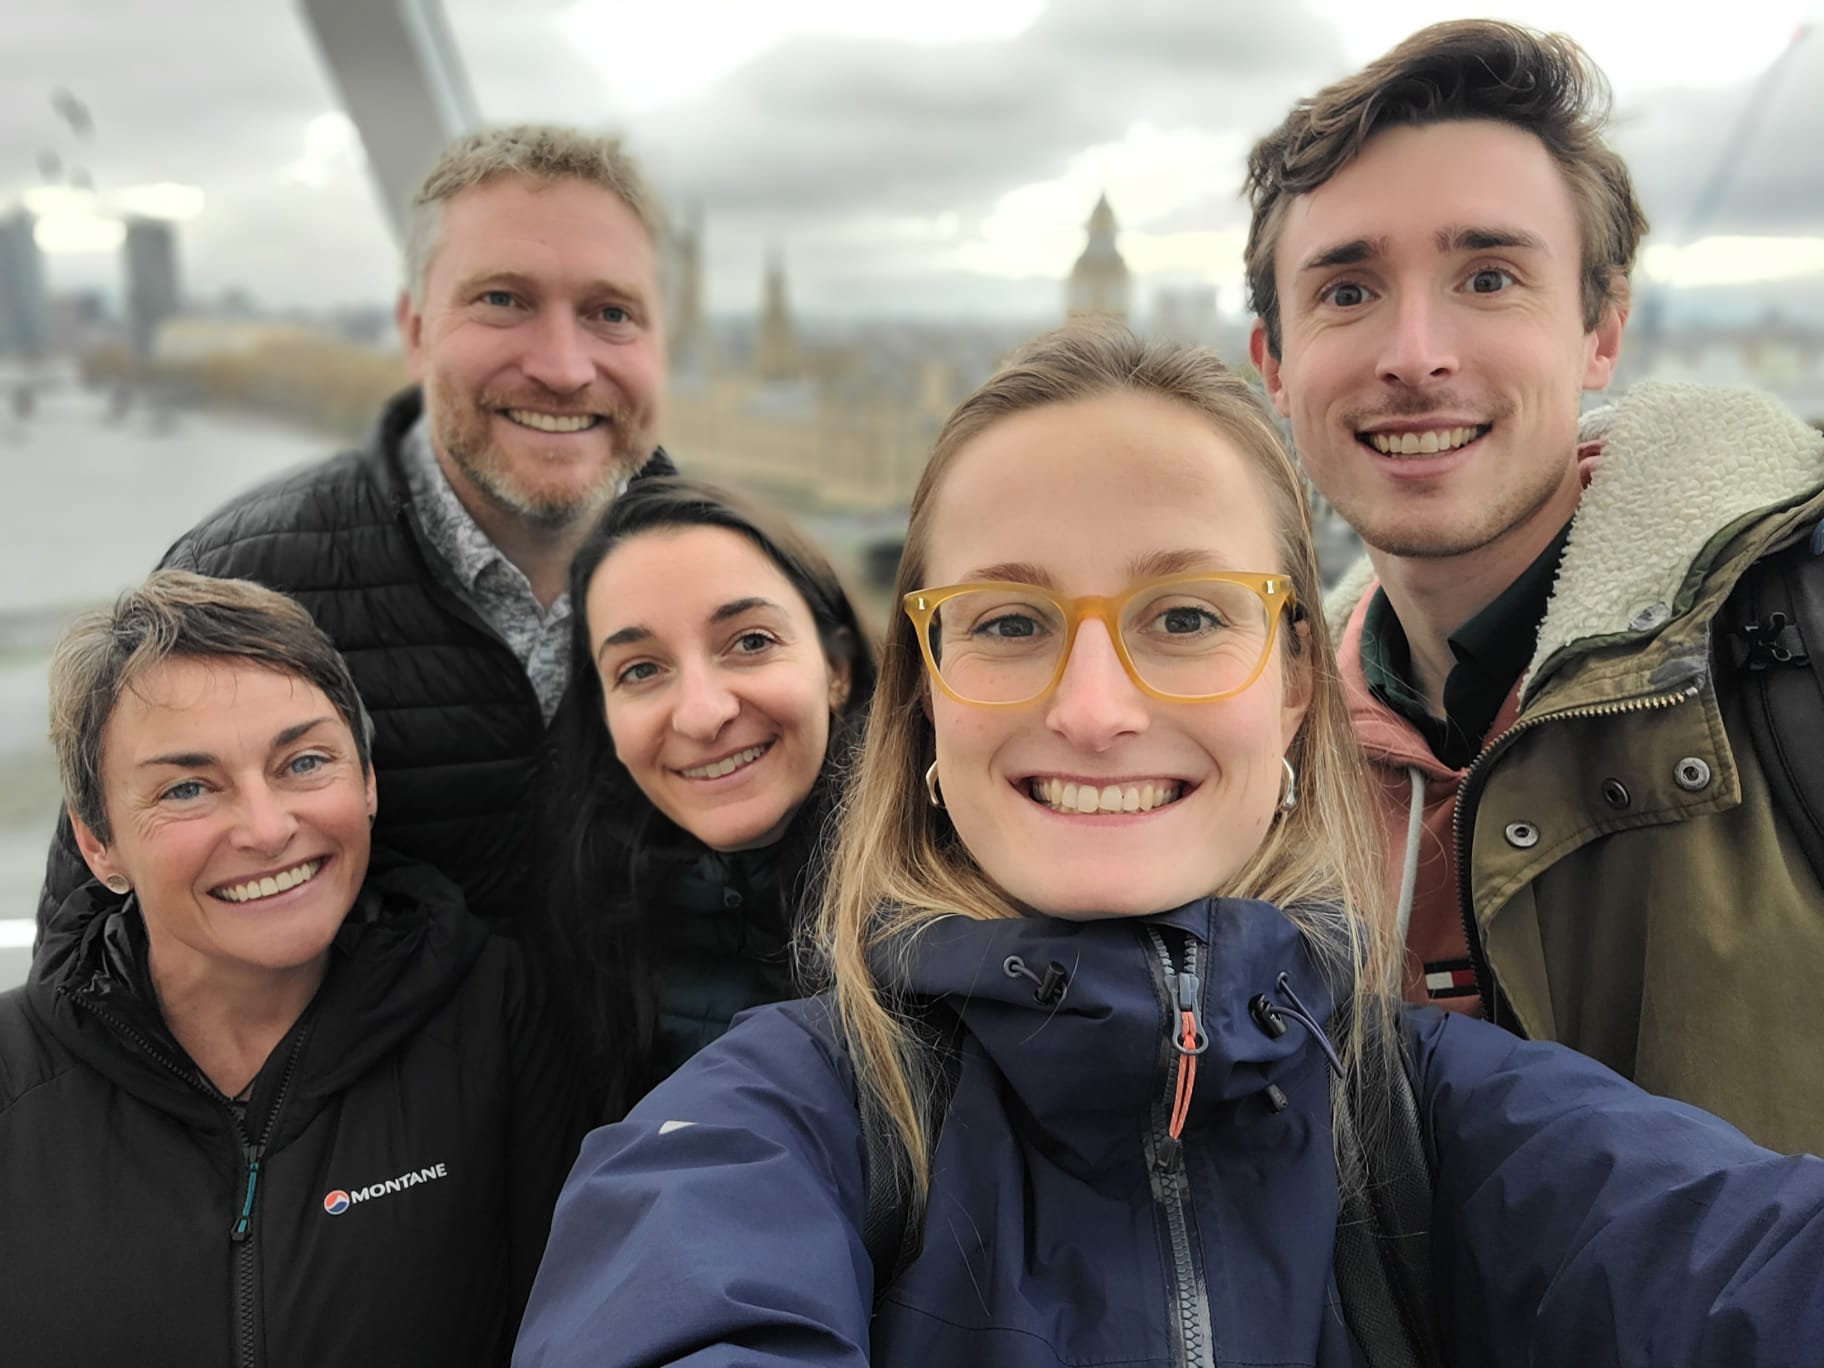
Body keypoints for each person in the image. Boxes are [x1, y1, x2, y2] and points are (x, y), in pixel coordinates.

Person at [512, 328, 1824, 1367]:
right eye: (1010, 621)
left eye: (1187, 615)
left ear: (1297, 682)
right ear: (923, 695)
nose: (1094, 711)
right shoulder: (772, 1123)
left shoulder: (1438, 1117)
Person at [1243, 20, 1824, 1154]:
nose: (1415, 353)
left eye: (1490, 277)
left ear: (1601, 330)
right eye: (1348, 291)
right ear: (1273, 365)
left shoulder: (1790, 636)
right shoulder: (1264, 747)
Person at [37, 123, 675, 935]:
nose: (561, 366)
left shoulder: (754, 584)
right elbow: (89, 958)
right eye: (502, 300)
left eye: (611, 312)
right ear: (414, 331)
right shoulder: (246, 573)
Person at [0, 571, 584, 1365]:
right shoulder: (14, 1078)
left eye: (305, 763)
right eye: (187, 787)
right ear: (98, 843)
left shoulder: (496, 1016)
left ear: (369, 780)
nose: (268, 828)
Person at [541, 476, 877, 1118]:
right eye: (640, 669)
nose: (701, 715)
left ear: (836, 669)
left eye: (750, 642)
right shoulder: (584, 925)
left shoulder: (964, 915)